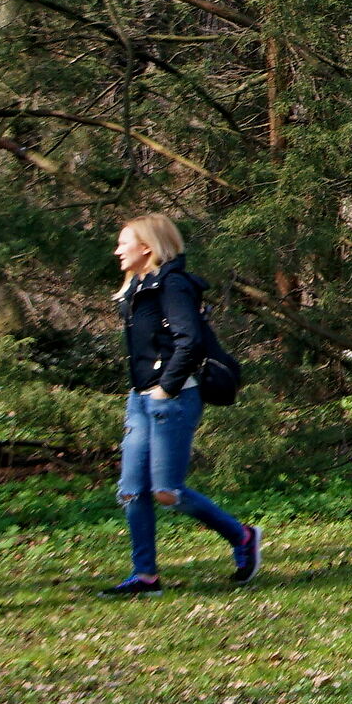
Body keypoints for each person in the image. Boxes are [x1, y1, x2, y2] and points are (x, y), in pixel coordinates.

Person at [104, 214, 260, 596]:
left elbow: (188, 341)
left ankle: (241, 536)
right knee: (131, 491)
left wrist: (166, 388)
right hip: (140, 401)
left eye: (124, 242)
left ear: (147, 247)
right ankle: (145, 576)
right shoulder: (137, 288)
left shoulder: (172, 284)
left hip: (172, 397)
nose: (117, 250)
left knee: (167, 491)